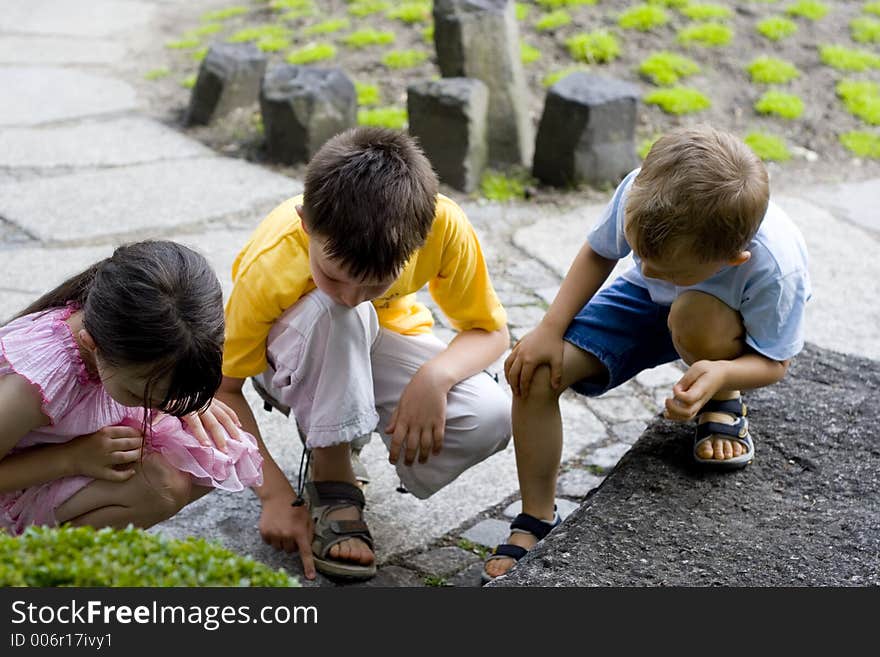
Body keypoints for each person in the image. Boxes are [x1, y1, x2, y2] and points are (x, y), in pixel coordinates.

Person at [483, 126, 811, 581]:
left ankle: (722, 401)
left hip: (716, 324)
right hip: (640, 303)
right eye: (639, 253)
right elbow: (599, 253)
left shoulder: (777, 266)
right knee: (538, 373)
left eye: (666, 267)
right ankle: (536, 518)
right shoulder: (647, 190)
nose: (648, 267)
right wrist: (549, 328)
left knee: (693, 313)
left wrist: (719, 374)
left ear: (733, 259)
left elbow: (775, 360)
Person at [217, 127, 511, 581]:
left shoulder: (443, 224)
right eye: (333, 276)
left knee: (491, 415)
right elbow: (222, 390)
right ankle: (333, 481)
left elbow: (490, 332)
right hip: (286, 356)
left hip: (376, 345)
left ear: (421, 239)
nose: (355, 294)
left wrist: (437, 377)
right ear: (305, 223)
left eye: (377, 285)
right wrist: (273, 494)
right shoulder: (274, 260)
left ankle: (346, 426)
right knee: (337, 314)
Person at [0, 240, 263, 535]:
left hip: (64, 450)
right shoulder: (36, 383)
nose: (160, 404)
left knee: (216, 449)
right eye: (141, 395)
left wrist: (183, 398)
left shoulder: (125, 337)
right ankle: (35, 560)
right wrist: (70, 459)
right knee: (160, 485)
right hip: (20, 478)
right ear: (92, 345)